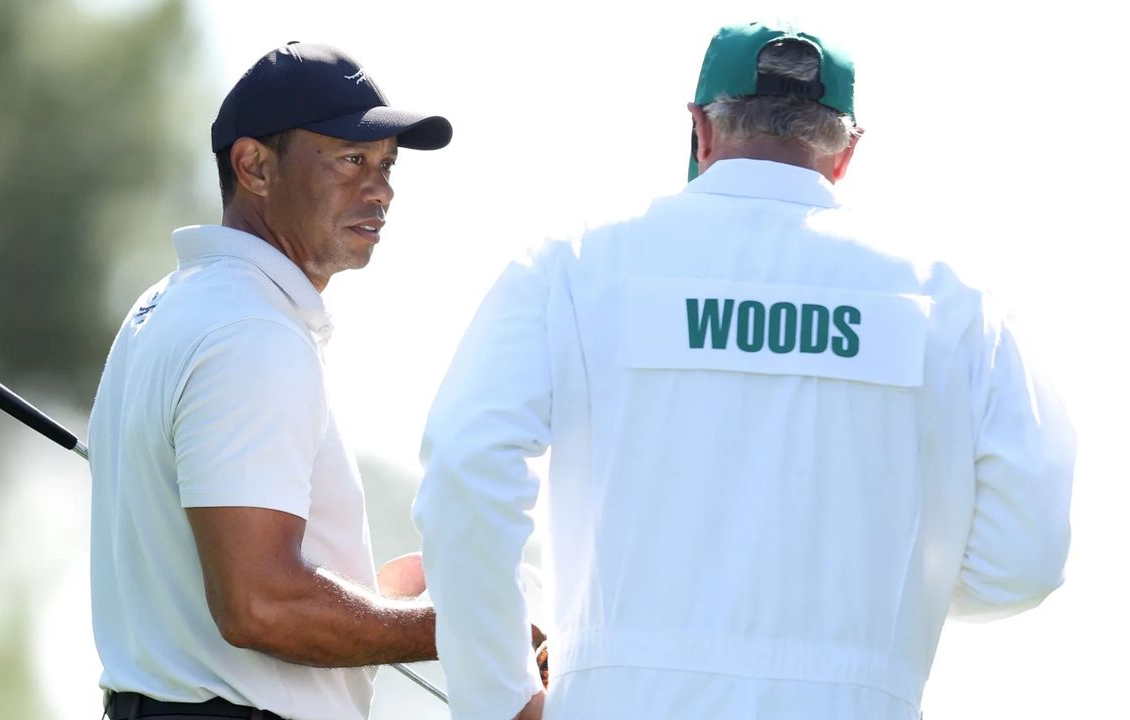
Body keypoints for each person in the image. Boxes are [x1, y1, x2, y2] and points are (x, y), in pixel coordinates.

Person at [412, 20, 1075, 720]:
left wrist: (499, 696)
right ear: (847, 151)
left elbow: (466, 463)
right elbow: (1024, 559)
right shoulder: (958, 302)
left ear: (701, 130)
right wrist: (882, 599)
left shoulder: (572, 268)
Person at [87, 42, 451, 720]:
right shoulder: (251, 333)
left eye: (386, 164)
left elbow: (244, 577)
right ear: (254, 166)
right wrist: (457, 628)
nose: (381, 189)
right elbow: (260, 605)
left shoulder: (168, 305)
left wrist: (382, 603)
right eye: (350, 160)